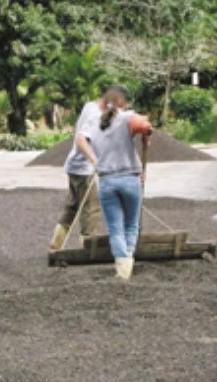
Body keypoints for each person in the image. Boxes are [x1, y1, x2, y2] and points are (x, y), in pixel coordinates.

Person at [77, 87, 152, 280]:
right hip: (130, 179)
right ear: (122, 103)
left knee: (115, 228)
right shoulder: (126, 117)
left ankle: (122, 266)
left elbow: (80, 139)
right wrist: (146, 133)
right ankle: (127, 262)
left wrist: (95, 161)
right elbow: (143, 124)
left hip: (107, 181)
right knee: (131, 225)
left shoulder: (93, 123)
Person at [47, 99, 103, 252]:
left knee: (72, 206)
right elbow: (81, 139)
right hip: (84, 168)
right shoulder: (95, 115)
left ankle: (55, 244)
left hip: (74, 166)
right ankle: (88, 247)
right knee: (91, 208)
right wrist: (95, 161)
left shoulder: (90, 106)